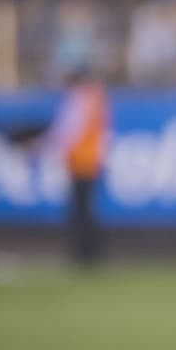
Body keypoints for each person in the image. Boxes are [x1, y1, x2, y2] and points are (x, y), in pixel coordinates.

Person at [45, 67, 109, 265]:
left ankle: (83, 252)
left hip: (80, 161)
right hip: (90, 160)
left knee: (80, 210)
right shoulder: (96, 98)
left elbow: (69, 130)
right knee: (85, 209)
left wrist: (47, 146)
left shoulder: (80, 99)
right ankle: (89, 251)